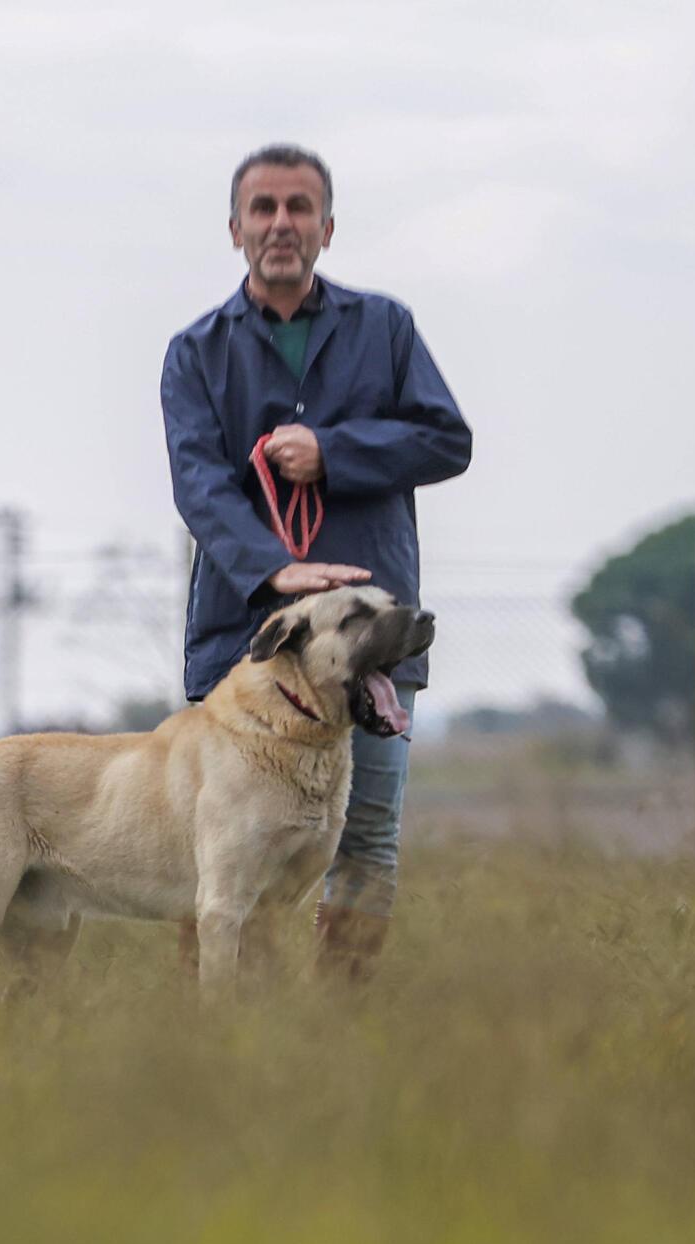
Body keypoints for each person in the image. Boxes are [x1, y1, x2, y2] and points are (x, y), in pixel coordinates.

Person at [161, 142, 473, 981]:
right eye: (263, 208)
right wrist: (274, 569)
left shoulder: (388, 329)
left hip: (373, 643)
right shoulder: (195, 354)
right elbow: (199, 486)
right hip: (243, 637)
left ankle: (340, 1024)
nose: (281, 224)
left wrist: (333, 451)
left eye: (299, 208)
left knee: (365, 835)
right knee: (218, 850)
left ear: (327, 227)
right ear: (235, 229)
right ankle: (219, 1041)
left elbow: (447, 440)